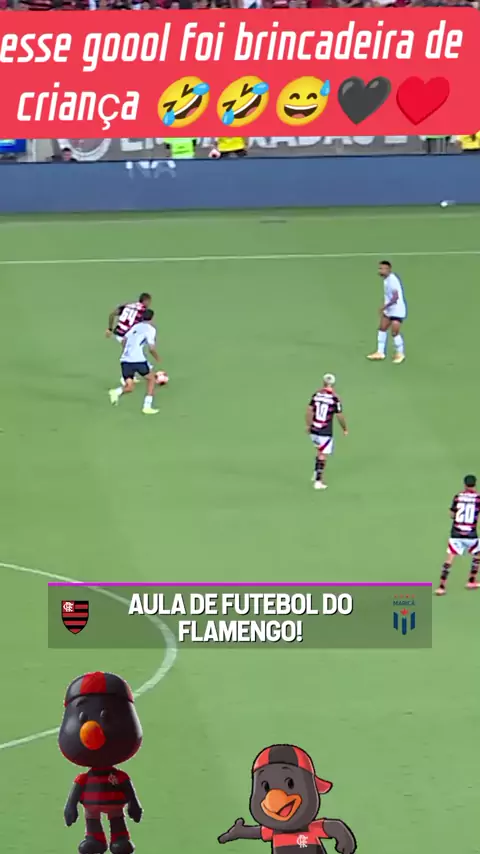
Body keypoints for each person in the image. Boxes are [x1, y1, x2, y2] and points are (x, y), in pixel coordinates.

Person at [109, 309, 160, 415]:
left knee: (130, 387)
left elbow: (124, 340)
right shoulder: (150, 329)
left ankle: (116, 392)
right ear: (152, 318)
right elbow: (151, 348)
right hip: (137, 360)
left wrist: (128, 351)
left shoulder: (135, 327)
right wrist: (157, 358)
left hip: (125, 360)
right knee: (151, 379)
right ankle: (147, 407)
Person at [436, 475, 480, 596]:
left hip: (456, 533)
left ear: (464, 484)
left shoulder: (458, 496)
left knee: (449, 559)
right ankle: (471, 581)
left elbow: (452, 514)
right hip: (471, 534)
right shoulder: (478, 498)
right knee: (477, 555)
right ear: (475, 484)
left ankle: (441, 587)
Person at [306, 373, 347, 491]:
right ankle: (318, 481)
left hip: (314, 429)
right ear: (333, 384)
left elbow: (309, 410)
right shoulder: (335, 398)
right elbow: (339, 415)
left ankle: (316, 474)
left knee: (319, 451)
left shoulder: (316, 394)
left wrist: (308, 425)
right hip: (325, 431)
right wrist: (344, 428)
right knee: (322, 455)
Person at [367, 261, 406, 363]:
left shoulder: (392, 280)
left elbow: (395, 297)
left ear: (388, 269)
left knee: (394, 333)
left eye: (382, 269)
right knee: (382, 328)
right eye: (379, 268)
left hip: (397, 310)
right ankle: (380, 352)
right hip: (389, 310)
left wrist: (384, 306)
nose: (380, 270)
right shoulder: (386, 280)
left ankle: (400, 353)